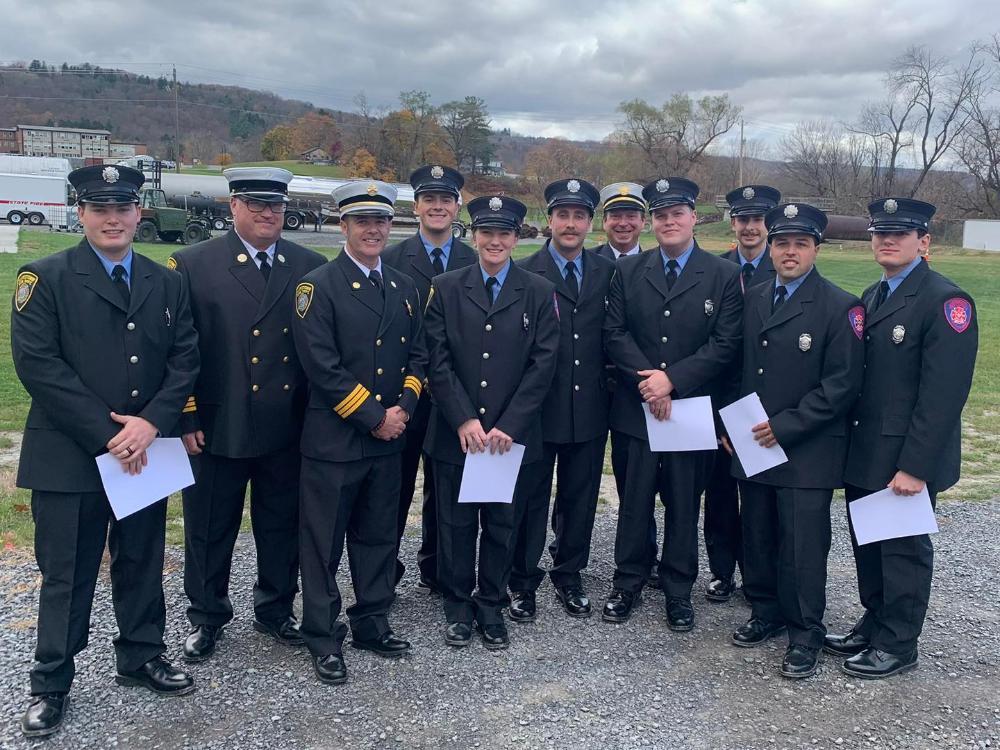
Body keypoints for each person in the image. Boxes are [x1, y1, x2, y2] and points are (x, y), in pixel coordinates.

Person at [12, 165, 200, 738]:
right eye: (100, 208)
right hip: (72, 455)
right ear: (81, 213)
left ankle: (141, 654)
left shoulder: (164, 279)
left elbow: (185, 358)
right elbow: (39, 368)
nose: (113, 218)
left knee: (142, 559)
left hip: (145, 449)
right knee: (67, 573)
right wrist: (110, 434)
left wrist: (151, 424)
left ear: (139, 212)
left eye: (123, 208)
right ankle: (51, 681)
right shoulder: (43, 278)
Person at [170, 167, 326, 662]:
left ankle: (275, 609)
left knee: (281, 524)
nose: (267, 213)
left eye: (276, 206)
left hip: (286, 422)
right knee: (211, 525)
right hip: (220, 420)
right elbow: (181, 349)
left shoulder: (309, 264)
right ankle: (207, 615)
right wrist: (186, 416)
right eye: (256, 204)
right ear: (232, 206)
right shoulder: (193, 264)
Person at [826, 198, 978, 679]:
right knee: (869, 545)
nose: (887, 241)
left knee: (903, 551)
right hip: (866, 449)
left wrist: (915, 466)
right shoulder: (875, 293)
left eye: (900, 234)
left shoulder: (945, 301)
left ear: (924, 242)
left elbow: (942, 397)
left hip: (904, 457)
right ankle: (874, 622)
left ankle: (899, 642)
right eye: (879, 233)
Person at [292, 180, 427, 685]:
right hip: (336, 442)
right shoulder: (316, 285)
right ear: (342, 225)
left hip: (388, 440)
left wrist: (405, 409)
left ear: (392, 226)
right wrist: (376, 416)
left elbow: (420, 355)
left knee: (377, 538)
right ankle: (323, 637)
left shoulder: (403, 286)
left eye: (381, 221)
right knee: (322, 545)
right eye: (362, 221)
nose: (373, 230)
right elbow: (321, 366)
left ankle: (372, 621)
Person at [729, 202, 865, 679]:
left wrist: (784, 426)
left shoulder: (840, 306)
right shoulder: (756, 297)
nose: (789, 252)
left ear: (815, 249)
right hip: (753, 443)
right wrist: (731, 426)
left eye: (800, 244)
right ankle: (765, 612)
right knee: (759, 536)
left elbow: (842, 386)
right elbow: (739, 367)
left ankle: (805, 634)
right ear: (769, 247)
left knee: (803, 546)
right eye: (781, 243)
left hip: (805, 448)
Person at [602, 176, 742, 630]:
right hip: (636, 408)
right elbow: (614, 333)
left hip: (690, 410)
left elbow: (725, 344)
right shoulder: (627, 270)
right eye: (660, 215)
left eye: (676, 213)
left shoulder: (723, 274)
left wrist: (672, 381)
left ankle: (678, 588)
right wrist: (649, 383)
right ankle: (628, 581)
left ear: (693, 217)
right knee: (634, 502)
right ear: (652, 222)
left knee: (684, 504)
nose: (668, 222)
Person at [423, 194, 559, 650]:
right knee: (456, 526)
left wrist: (511, 425)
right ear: (474, 235)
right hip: (457, 436)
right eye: (488, 232)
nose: (495, 241)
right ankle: (458, 607)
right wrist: (462, 418)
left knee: (503, 524)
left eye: (505, 233)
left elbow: (544, 364)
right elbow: (436, 361)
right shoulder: (445, 287)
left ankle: (492, 605)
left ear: (517, 238)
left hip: (508, 439)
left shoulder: (538, 291)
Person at [510, 178, 616, 622]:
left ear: (590, 223)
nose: (570, 224)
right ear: (548, 219)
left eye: (579, 216)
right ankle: (521, 579)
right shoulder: (525, 272)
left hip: (590, 406)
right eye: (562, 215)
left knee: (580, 497)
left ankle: (569, 574)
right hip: (538, 408)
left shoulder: (610, 273)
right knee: (529, 499)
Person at [382, 164, 477, 593]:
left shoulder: (473, 260)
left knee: (447, 492)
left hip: (452, 396)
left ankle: (438, 570)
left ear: (457, 207)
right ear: (416, 206)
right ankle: (383, 572)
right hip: (403, 395)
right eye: (429, 200)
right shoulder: (389, 259)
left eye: (446, 200)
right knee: (393, 489)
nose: (437, 207)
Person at [703, 184, 781, 602]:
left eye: (758, 220)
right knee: (717, 494)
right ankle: (720, 571)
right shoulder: (716, 270)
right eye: (742, 220)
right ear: (732, 224)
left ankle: (757, 574)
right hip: (718, 402)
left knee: (758, 499)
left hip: (762, 407)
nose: (750, 228)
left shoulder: (785, 268)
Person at [594, 182, 661, 587]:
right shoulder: (588, 262)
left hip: (645, 392)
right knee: (603, 479)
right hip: (593, 391)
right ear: (604, 222)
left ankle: (649, 559)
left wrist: (655, 382)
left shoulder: (656, 264)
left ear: (643, 222)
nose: (623, 222)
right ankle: (565, 550)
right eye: (615, 215)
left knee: (652, 482)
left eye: (631, 215)